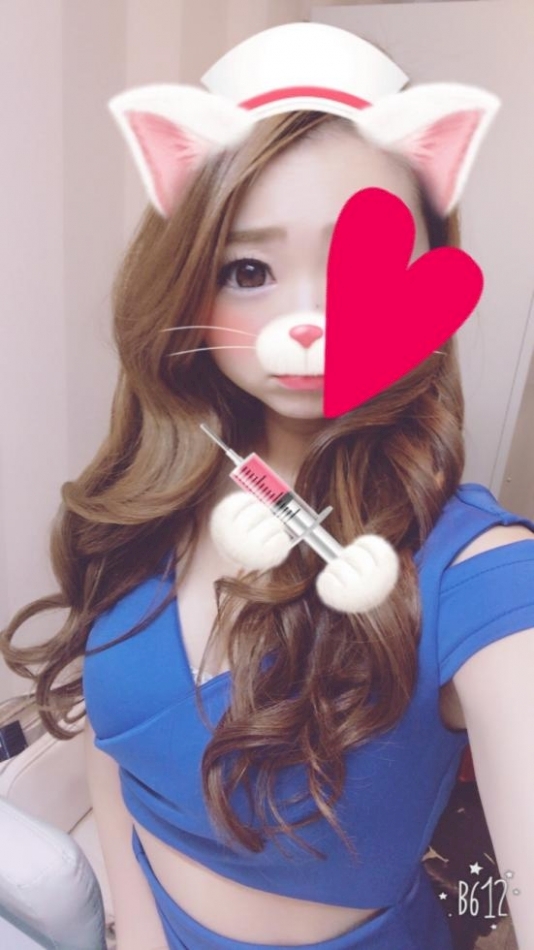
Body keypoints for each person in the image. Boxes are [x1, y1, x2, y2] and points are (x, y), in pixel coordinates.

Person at [2, 21, 534, 950]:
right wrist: (137, 931)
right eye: (248, 270)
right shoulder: (149, 496)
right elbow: (118, 763)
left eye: (361, 266)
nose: (309, 321)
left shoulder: (479, 576)